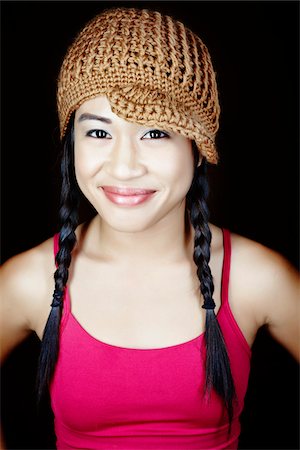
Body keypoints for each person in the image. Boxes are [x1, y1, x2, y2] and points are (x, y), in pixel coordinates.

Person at [0, 5, 299, 450]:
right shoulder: (27, 280)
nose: (123, 167)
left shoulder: (258, 278)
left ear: (198, 148)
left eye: (155, 132)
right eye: (99, 133)